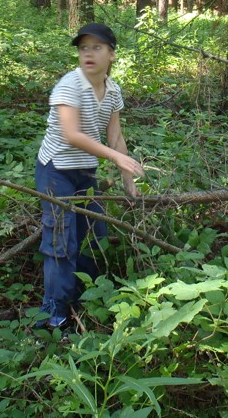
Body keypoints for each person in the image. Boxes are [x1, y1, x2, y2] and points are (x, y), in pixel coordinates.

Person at [35, 23, 144, 329]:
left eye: (97, 48)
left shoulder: (112, 90)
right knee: (62, 240)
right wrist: (116, 156)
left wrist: (127, 178)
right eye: (84, 48)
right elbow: (72, 135)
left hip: (85, 173)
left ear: (111, 54)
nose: (89, 54)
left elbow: (115, 134)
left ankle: (84, 300)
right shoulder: (69, 85)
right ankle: (53, 315)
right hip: (55, 170)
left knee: (94, 238)